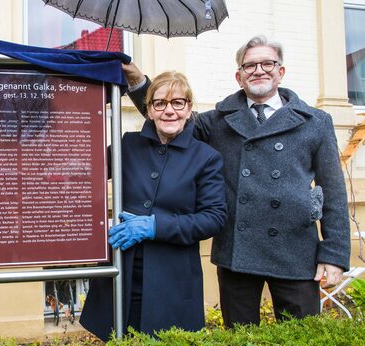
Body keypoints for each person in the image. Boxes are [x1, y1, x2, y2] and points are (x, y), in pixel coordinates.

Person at [124, 35, 351, 327]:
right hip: (237, 253)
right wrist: (137, 79)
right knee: (241, 340)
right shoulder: (219, 119)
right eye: (249, 65)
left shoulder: (315, 121)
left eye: (267, 63)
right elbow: (169, 114)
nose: (258, 70)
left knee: (302, 338)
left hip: (296, 254)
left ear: (281, 72)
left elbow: (333, 192)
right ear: (239, 76)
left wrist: (333, 254)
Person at [80, 71, 227, 340]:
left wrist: (155, 226)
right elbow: (86, 172)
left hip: (172, 278)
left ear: (189, 108)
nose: (168, 111)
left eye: (177, 103)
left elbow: (213, 217)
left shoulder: (206, 158)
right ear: (149, 110)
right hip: (123, 270)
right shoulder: (128, 144)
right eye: (160, 103)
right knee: (119, 340)